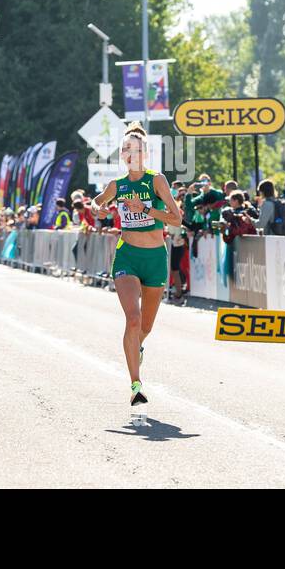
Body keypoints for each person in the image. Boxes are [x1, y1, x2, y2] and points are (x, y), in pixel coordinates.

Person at [91, 123, 183, 409]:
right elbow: (97, 202)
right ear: (122, 155)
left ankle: (136, 346)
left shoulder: (157, 181)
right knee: (132, 319)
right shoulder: (116, 186)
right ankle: (136, 385)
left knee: (145, 327)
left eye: (139, 149)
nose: (133, 154)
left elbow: (176, 218)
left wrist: (143, 208)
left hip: (155, 258)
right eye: (128, 150)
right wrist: (100, 209)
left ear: (146, 154)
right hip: (127, 256)